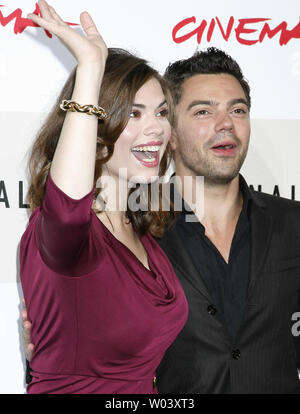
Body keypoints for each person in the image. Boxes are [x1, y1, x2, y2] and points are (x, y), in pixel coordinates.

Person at [22, 40, 300, 394]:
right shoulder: (143, 225)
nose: (225, 124)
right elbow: (66, 218)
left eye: (238, 110)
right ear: (174, 138)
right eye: (202, 111)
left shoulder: (292, 223)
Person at [19, 0, 187, 394]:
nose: (156, 130)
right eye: (133, 114)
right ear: (96, 126)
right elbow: (66, 209)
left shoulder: (141, 228)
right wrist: (91, 69)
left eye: (161, 113)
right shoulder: (67, 233)